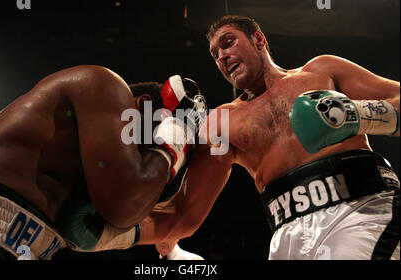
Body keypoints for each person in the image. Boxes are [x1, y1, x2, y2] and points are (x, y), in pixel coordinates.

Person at [137, 15, 400, 260]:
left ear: (259, 39)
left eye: (228, 43)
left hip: (360, 210)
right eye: (215, 55)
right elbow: (183, 212)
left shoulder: (321, 72)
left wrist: (356, 114)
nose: (222, 57)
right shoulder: (220, 122)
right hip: (287, 235)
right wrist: (110, 232)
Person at [0, 65, 204, 260]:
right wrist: (173, 139)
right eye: (148, 146)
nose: (142, 162)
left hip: (13, 248)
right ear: (143, 105)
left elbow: (165, 218)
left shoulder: (86, 168)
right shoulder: (104, 85)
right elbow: (125, 204)